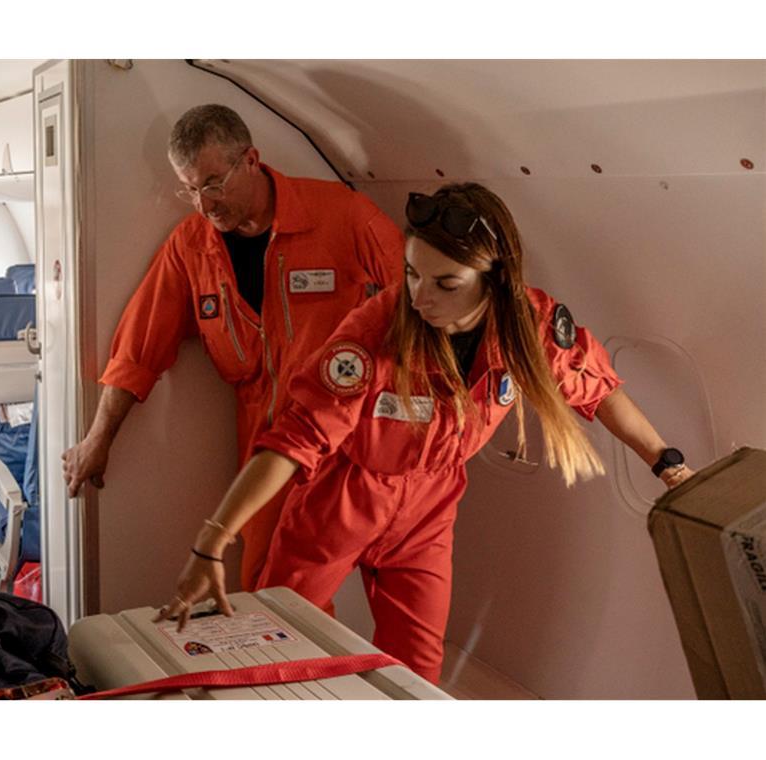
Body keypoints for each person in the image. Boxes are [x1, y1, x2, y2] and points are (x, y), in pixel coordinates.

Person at [154, 182, 696, 684]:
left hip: (429, 511)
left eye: (445, 283)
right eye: (412, 273)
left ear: (496, 279)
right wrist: (213, 541)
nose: (420, 296)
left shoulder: (529, 325)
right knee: (284, 638)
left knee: (417, 669)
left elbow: (598, 389)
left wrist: (668, 463)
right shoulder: (376, 328)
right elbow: (293, 442)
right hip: (344, 494)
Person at [61, 104, 405, 591]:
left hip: (351, 440)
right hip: (269, 448)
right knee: (270, 590)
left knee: (388, 587)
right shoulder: (191, 247)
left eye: (213, 183)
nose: (204, 204)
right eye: (191, 189)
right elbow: (138, 348)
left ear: (251, 160)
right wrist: (98, 439)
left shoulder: (340, 214)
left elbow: (418, 301)